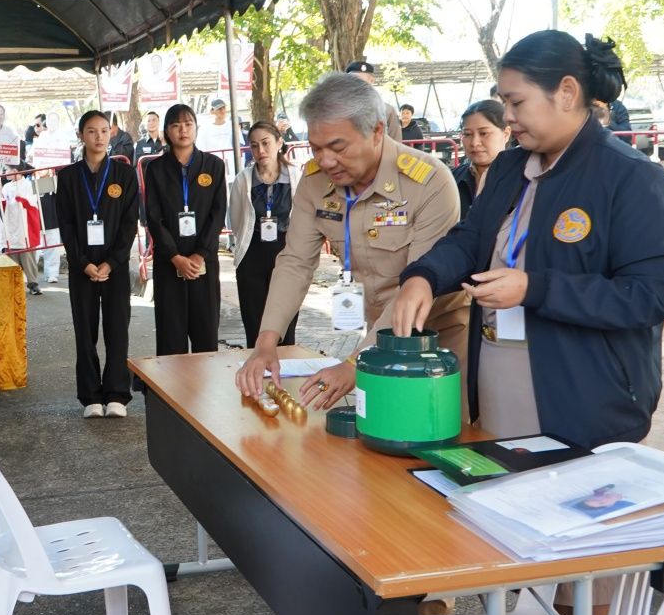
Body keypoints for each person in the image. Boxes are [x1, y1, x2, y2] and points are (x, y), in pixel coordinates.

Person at [393, 32, 664, 615]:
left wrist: (536, 288)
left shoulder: (631, 179)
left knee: (581, 570)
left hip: (584, 400)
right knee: (515, 544)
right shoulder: (508, 169)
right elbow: (470, 243)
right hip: (499, 391)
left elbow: (652, 294)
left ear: (568, 93)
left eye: (517, 101)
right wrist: (423, 277)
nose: (507, 116)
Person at [233, 72, 469, 412]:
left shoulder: (429, 182)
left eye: (337, 147)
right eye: (316, 148)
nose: (325, 161)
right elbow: (295, 262)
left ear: (376, 131)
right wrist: (266, 342)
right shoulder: (315, 182)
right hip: (375, 336)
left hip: (437, 346)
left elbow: (416, 290)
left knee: (440, 440)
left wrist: (356, 364)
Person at [56, 111, 139, 418]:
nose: (99, 137)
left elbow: (130, 224)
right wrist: (82, 263)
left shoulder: (124, 175)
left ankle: (117, 392)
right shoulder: (67, 177)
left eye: (104, 131)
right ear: (81, 135)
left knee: (118, 329)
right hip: (82, 269)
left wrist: (112, 262)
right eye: (92, 131)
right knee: (85, 331)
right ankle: (91, 395)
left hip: (114, 268)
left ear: (111, 134)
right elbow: (65, 225)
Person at [144, 103, 227, 357]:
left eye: (188, 124)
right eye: (176, 125)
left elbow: (218, 212)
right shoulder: (155, 169)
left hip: (203, 261)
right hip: (170, 263)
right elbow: (153, 217)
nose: (183, 130)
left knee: (206, 335)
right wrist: (175, 256)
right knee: (171, 337)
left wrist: (200, 253)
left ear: (196, 128)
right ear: (167, 131)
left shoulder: (213, 165)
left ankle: (205, 395)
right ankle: (169, 397)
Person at [230, 122, 299, 347]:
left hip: (286, 256)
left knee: (285, 329)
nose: (260, 151)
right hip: (252, 256)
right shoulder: (244, 180)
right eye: (254, 145)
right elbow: (237, 219)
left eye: (266, 143)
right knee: (255, 326)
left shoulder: (296, 176)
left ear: (279, 143)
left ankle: (287, 378)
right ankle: (257, 379)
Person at [454, 100, 511, 220]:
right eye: (468, 134)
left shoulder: (523, 179)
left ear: (506, 134)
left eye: (484, 133)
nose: (475, 143)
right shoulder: (451, 179)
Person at [345, 61, 402, 142]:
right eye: (353, 81)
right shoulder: (337, 110)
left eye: (362, 81)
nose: (357, 85)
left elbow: (397, 144)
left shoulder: (387, 111)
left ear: (372, 81)